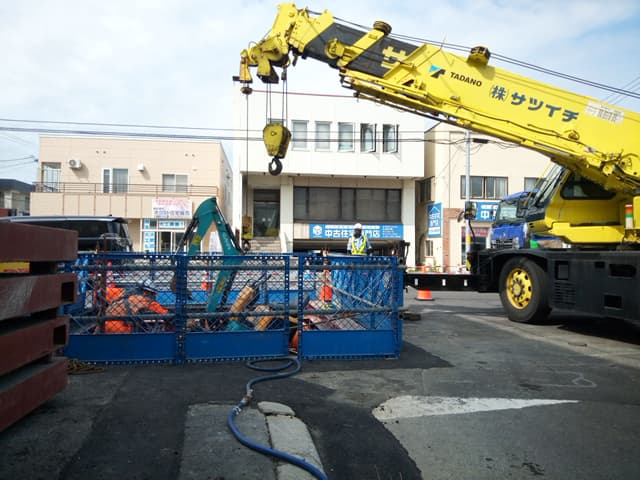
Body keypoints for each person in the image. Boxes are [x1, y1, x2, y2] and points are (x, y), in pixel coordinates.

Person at [104, 280, 169, 333]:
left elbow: (106, 291)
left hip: (105, 322)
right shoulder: (147, 300)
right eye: (153, 293)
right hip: (120, 327)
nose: (153, 296)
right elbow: (164, 313)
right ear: (146, 292)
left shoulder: (123, 291)